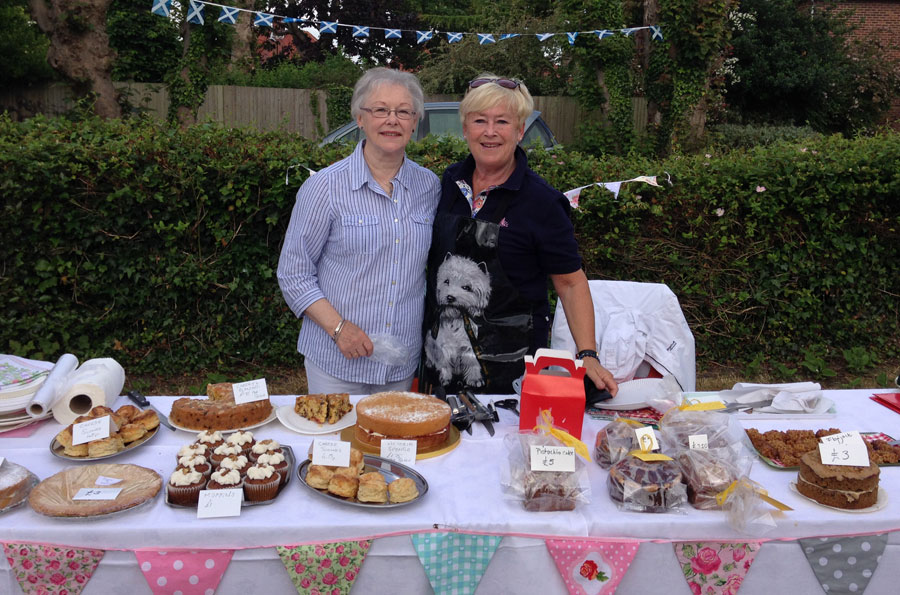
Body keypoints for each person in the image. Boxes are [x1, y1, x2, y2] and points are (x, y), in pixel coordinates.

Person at [421, 73, 618, 397]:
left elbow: (570, 282)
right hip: (441, 363)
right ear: (465, 127)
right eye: (480, 120)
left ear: (519, 130)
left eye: (502, 121)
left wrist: (588, 355)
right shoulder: (448, 183)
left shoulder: (542, 202)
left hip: (512, 375)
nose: (490, 132)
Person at [278, 67, 440, 394]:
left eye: (403, 111)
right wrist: (339, 329)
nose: (392, 120)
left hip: (399, 361)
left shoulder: (430, 187)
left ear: (414, 121)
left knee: (392, 444)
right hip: (335, 361)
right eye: (380, 110)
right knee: (338, 444)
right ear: (360, 119)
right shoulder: (324, 187)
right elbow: (293, 273)